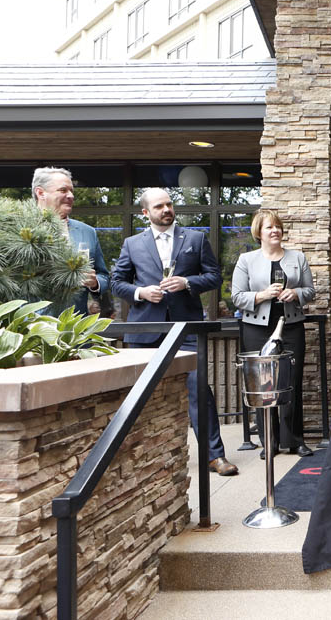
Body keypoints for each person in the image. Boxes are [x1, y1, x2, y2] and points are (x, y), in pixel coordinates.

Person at [110, 188, 237, 476]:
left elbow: (214, 276)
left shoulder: (195, 238)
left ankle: (214, 456)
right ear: (146, 213)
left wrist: (187, 283)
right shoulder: (132, 244)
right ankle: (139, 458)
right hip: (145, 331)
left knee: (198, 390)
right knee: (140, 396)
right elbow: (117, 283)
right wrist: (141, 291)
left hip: (186, 329)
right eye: (159, 206)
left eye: (169, 204)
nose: (166, 209)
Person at [231, 210, 316, 459]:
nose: (275, 231)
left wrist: (297, 293)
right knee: (263, 385)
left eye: (277, 226)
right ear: (259, 232)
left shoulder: (297, 257)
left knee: (292, 381)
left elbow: (311, 290)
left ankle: (295, 441)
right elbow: (236, 296)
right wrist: (262, 295)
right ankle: (270, 442)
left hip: (291, 325)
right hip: (257, 327)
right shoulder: (246, 260)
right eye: (269, 227)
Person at [31, 166, 109, 316]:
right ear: (41, 193)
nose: (71, 195)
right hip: (34, 328)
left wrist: (95, 283)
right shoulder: (20, 231)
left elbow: (104, 276)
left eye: (72, 190)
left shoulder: (88, 232)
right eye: (63, 190)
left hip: (77, 328)